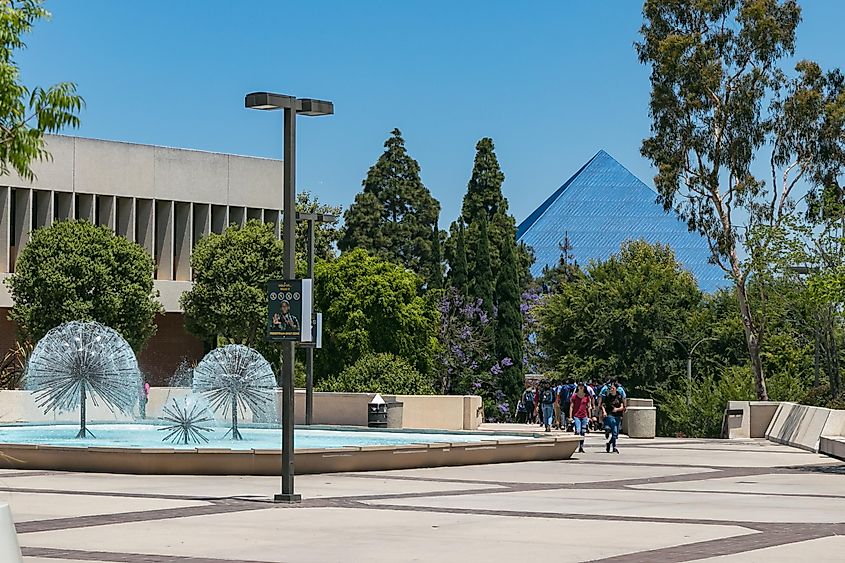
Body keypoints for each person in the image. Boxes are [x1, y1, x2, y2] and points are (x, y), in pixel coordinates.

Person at [601, 382, 625, 453]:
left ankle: (609, 443)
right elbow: (602, 405)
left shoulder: (619, 396)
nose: (611, 389)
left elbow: (622, 406)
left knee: (616, 434)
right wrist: (604, 412)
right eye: (610, 388)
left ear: (616, 389)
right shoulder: (607, 396)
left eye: (613, 388)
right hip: (610, 415)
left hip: (618, 415)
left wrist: (617, 409)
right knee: (614, 432)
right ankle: (614, 447)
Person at [569, 383, 591, 453]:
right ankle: (575, 444)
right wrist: (570, 417)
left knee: (583, 431)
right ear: (577, 387)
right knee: (578, 431)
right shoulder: (574, 396)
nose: (581, 387)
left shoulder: (587, 396)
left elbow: (588, 407)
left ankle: (581, 446)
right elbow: (571, 407)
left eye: (582, 386)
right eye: (579, 386)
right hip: (576, 416)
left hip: (584, 416)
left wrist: (590, 417)